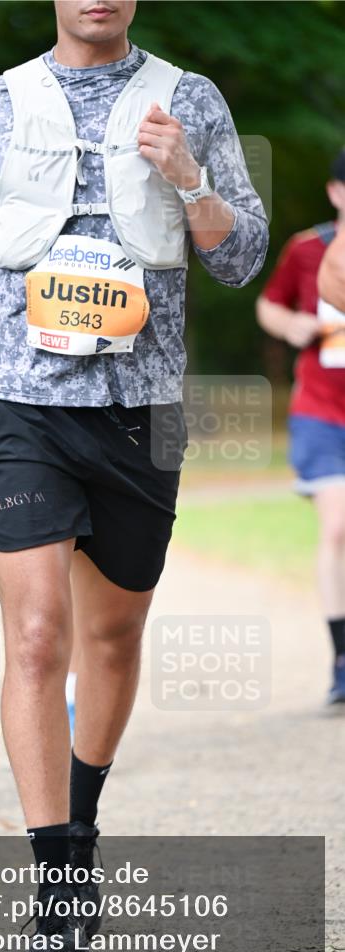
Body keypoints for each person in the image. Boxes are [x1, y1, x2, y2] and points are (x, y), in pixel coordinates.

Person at [0, 0, 268, 952]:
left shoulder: (189, 99)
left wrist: (188, 176)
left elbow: (238, 259)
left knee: (110, 635)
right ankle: (55, 882)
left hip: (140, 411)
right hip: (15, 398)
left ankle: (85, 820)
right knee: (33, 636)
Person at [256, 149, 345, 705]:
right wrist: (293, 324)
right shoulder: (308, 248)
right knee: (338, 529)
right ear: (336, 192)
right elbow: (269, 304)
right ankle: (341, 660)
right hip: (320, 410)